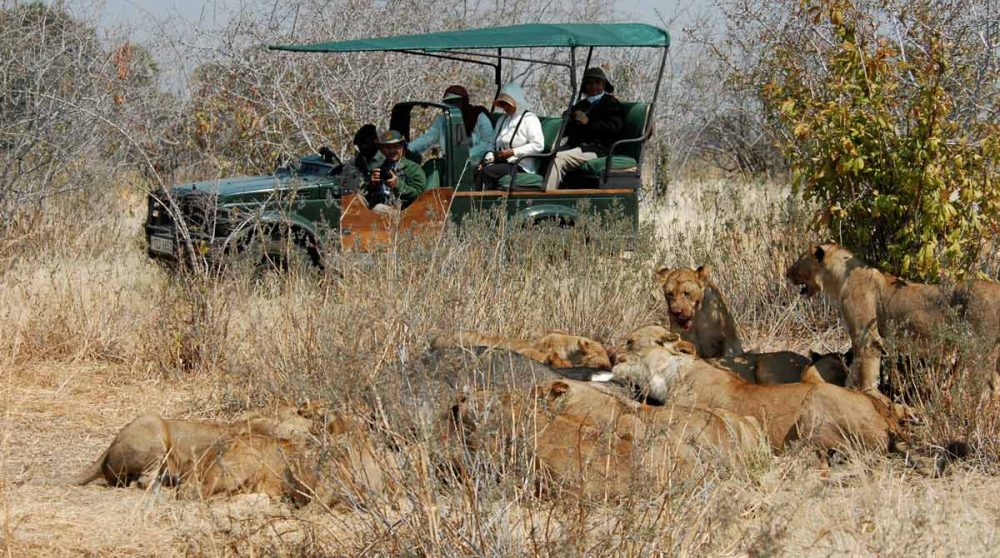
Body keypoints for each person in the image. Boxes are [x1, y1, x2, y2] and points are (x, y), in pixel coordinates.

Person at [543, 67, 626, 191]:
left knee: (557, 159)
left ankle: (546, 199)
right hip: (576, 147)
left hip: (598, 149)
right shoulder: (581, 105)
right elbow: (568, 132)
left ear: (603, 85)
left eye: (597, 83)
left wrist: (588, 122)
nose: (593, 86)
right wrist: (568, 120)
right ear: (585, 86)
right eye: (590, 83)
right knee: (546, 155)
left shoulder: (611, 103)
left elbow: (615, 128)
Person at [475, 83, 544, 190]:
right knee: (476, 169)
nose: (505, 107)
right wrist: (487, 160)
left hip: (520, 164)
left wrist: (513, 152)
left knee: (487, 172)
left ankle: (480, 203)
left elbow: (538, 145)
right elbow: (492, 144)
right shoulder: (503, 120)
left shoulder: (529, 119)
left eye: (507, 104)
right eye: (502, 104)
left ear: (516, 101)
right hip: (501, 162)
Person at [409, 85, 494, 163]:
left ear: (464, 102)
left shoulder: (479, 117)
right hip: (450, 166)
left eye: (456, 101)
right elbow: (427, 138)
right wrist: (407, 149)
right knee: (433, 165)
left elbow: (487, 143)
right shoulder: (443, 120)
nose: (452, 105)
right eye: (449, 102)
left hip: (474, 164)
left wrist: (466, 156)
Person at [365, 129, 426, 214]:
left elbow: (419, 196)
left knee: (378, 209)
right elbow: (369, 197)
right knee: (354, 200)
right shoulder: (380, 169)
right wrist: (371, 184)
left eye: (396, 147)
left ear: (402, 148)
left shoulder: (413, 168)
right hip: (380, 210)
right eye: (388, 147)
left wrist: (397, 185)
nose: (392, 151)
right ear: (382, 150)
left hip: (404, 213)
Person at [339, 123, 384, 192]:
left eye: (365, 144)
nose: (363, 148)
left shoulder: (388, 159)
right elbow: (344, 184)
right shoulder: (355, 162)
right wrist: (367, 181)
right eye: (360, 146)